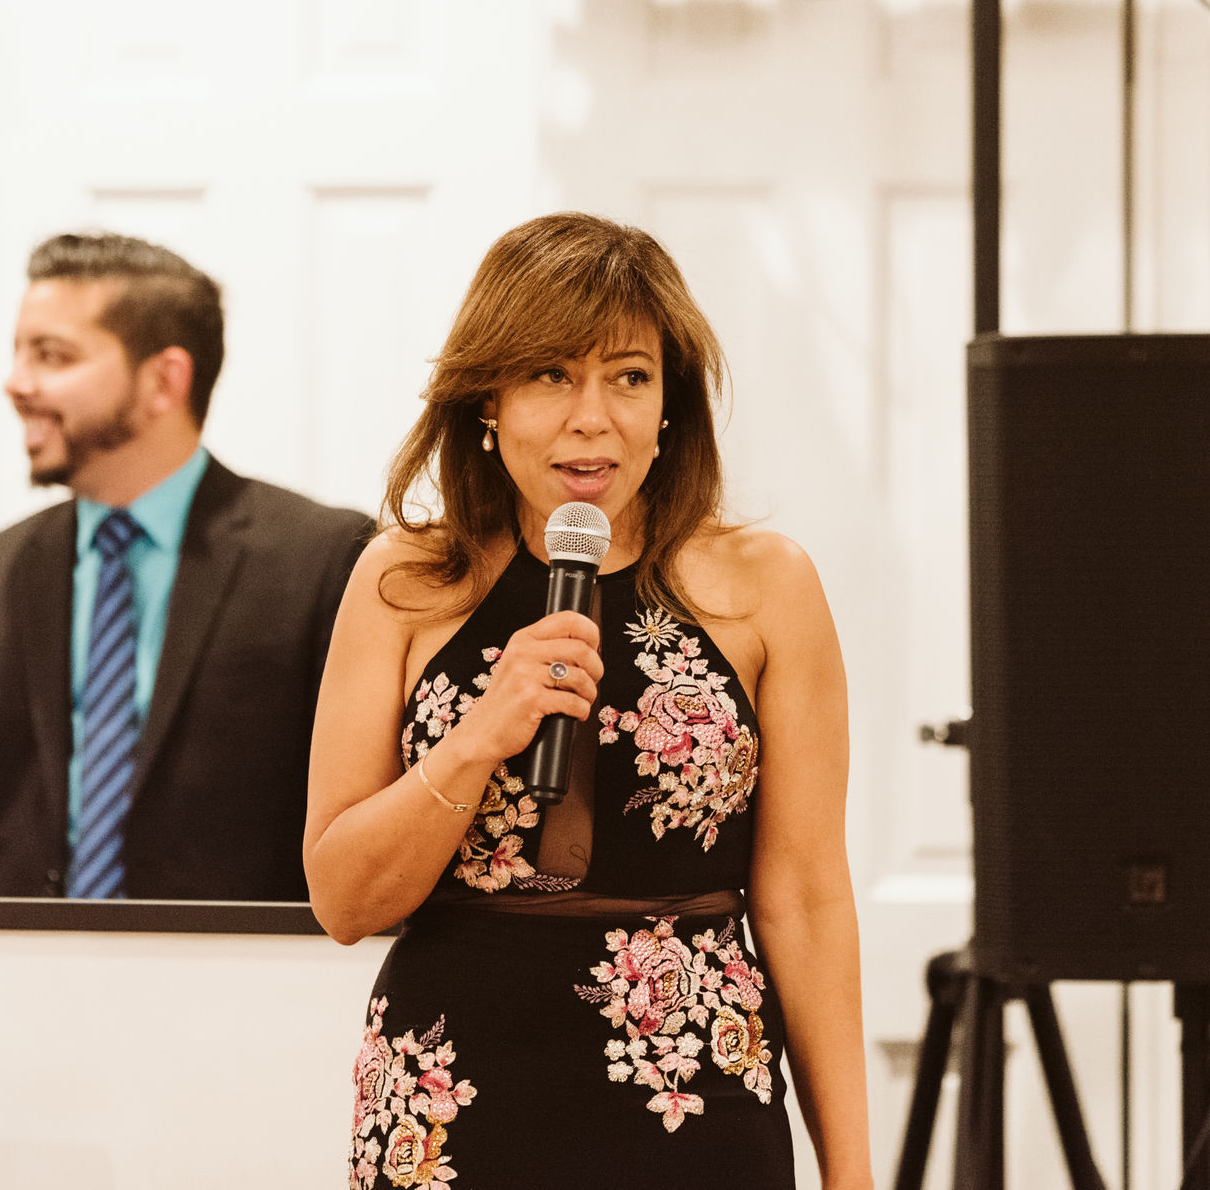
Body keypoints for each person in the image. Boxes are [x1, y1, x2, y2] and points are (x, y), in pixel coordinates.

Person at [306, 213, 871, 1188]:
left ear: (668, 406)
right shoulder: (402, 581)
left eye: (627, 375)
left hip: (692, 1090)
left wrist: (852, 1173)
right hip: (453, 1093)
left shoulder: (765, 585)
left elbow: (807, 899)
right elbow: (344, 898)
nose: (590, 415)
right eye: (548, 375)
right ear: (486, 396)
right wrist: (475, 736)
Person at [0, 232, 372, 900]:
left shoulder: (324, 558)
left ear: (163, 380)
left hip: (240, 985)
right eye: (18, 351)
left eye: (52, 354)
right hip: (11, 984)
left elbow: (356, 824)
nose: (15, 383)